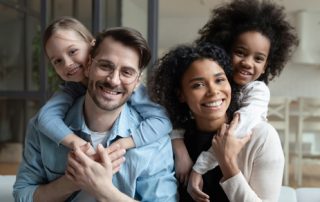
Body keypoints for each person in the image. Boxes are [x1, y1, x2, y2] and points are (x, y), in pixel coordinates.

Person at [13, 27, 178, 201]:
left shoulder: (154, 140)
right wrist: (70, 182)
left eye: (127, 72)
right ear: (89, 66)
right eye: (105, 66)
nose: (113, 80)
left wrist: (103, 189)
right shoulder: (43, 128)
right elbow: (23, 195)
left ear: (137, 81)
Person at [170, 0, 298, 200]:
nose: (247, 63)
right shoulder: (187, 127)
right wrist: (178, 145)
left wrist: (206, 165)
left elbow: (237, 129)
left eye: (258, 58)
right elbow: (170, 116)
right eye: (240, 52)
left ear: (266, 66)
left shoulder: (256, 97)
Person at [149, 42, 284, 201]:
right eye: (198, 85)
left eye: (219, 80)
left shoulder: (261, 137)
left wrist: (228, 166)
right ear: (181, 94)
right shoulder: (172, 142)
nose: (213, 91)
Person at [37, 16, 172, 155]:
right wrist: (79, 144)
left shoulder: (128, 87)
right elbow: (46, 119)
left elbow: (162, 120)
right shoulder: (70, 90)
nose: (67, 64)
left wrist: (124, 143)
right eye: (58, 61)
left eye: (72, 51)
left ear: (92, 46)